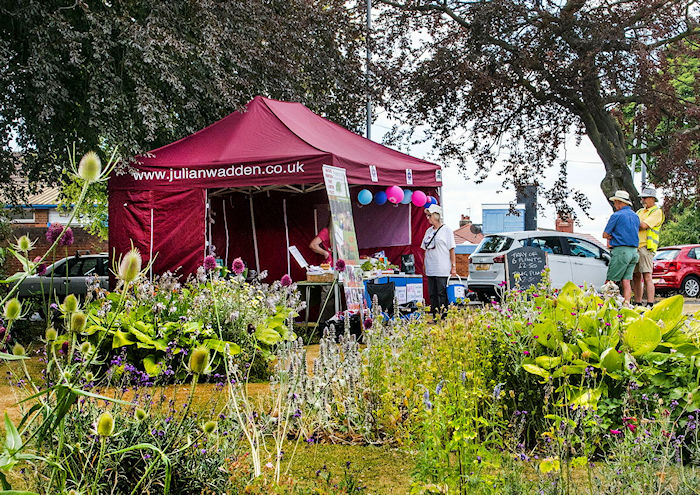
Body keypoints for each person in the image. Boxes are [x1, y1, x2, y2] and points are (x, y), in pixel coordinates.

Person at [602, 190, 640, 305]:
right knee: (626, 281)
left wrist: (613, 236)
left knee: (610, 281)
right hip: (634, 252)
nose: (614, 205)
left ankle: (606, 304)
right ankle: (627, 304)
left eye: (615, 202)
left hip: (621, 251)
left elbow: (605, 234)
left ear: (619, 202)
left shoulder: (616, 215)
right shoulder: (635, 216)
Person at [421, 204, 456, 316]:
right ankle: (436, 316)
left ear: (436, 215)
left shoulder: (446, 230)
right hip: (431, 266)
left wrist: (453, 266)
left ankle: (444, 316)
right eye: (427, 215)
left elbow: (451, 249)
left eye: (430, 215)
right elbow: (424, 248)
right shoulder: (428, 231)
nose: (428, 218)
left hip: (442, 267)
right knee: (432, 293)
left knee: (441, 293)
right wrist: (424, 263)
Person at [633, 187, 664, 306]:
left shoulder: (656, 211)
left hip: (646, 247)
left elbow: (644, 225)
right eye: (642, 198)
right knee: (636, 276)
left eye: (645, 198)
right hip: (635, 246)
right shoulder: (640, 211)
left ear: (652, 198)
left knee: (647, 276)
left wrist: (631, 222)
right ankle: (638, 302)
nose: (643, 200)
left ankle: (650, 303)